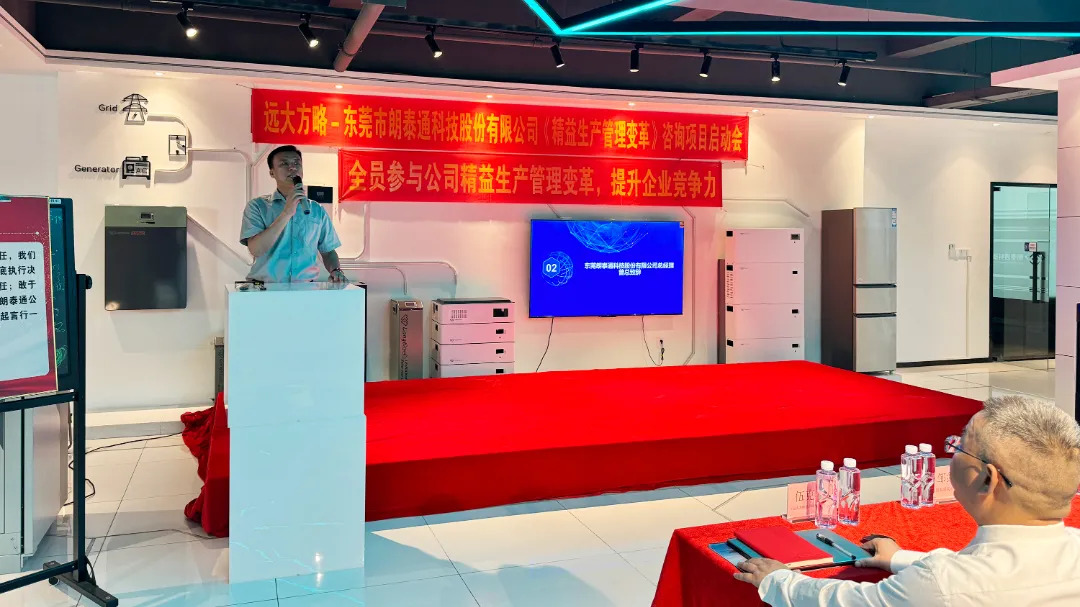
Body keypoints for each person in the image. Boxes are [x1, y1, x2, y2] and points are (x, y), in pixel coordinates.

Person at [734, 394, 1080, 606]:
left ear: (987, 479)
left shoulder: (944, 585)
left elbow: (847, 602)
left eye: (960, 445)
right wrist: (899, 559)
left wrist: (778, 581)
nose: (952, 453)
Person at [240, 145, 347, 283]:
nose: (292, 167)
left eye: (297, 163)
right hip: (266, 288)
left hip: (305, 289)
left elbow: (328, 251)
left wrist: (335, 270)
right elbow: (256, 250)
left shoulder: (316, 210)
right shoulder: (257, 206)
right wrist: (286, 213)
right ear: (272, 173)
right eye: (284, 163)